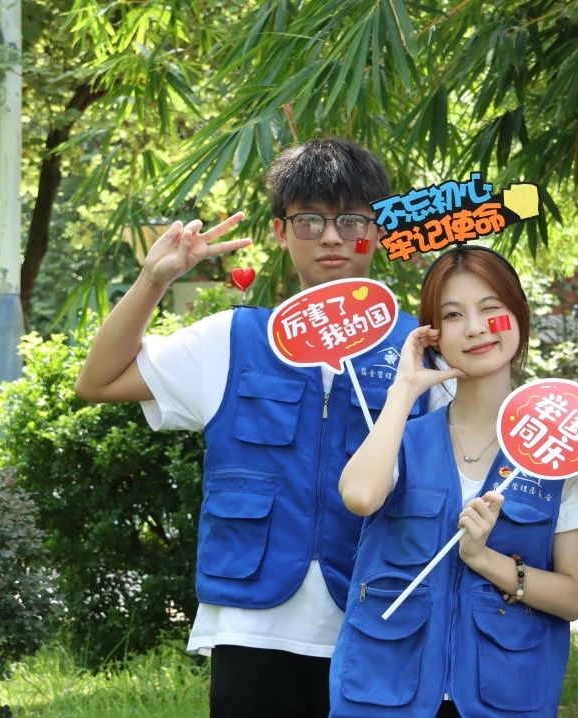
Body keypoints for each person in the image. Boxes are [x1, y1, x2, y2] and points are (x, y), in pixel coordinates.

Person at [73, 138, 436, 717]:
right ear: (280, 232)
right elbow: (99, 381)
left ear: (380, 230)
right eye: (310, 220)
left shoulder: (420, 349)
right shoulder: (232, 338)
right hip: (251, 625)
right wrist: (153, 280)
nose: (332, 237)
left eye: (352, 220)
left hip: (381, 613)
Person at [329, 244, 578, 717]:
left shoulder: (556, 453)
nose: (474, 328)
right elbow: (360, 495)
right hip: (386, 694)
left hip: (503, 697)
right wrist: (404, 389)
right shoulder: (402, 438)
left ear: (518, 316)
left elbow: (573, 597)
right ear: (432, 334)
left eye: (490, 308)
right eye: (453, 315)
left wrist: (485, 560)